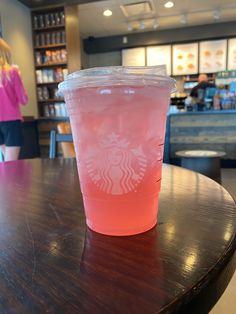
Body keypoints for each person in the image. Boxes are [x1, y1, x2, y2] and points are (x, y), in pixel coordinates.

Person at [0, 38, 28, 162]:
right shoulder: (12, 72)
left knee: (6, 161)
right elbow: (23, 99)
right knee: (11, 164)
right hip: (11, 122)